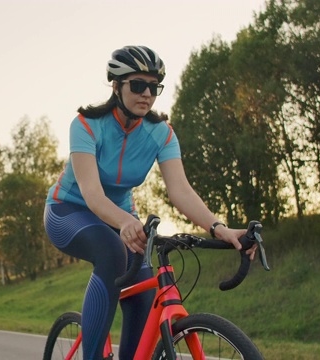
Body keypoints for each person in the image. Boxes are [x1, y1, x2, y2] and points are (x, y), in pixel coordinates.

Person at [43, 45, 258, 360]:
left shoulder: (161, 133)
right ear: (116, 86)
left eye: (154, 87)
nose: (147, 94)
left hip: (120, 218)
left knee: (145, 288)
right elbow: (92, 195)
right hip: (69, 211)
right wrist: (127, 222)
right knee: (111, 252)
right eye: (138, 85)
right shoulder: (86, 124)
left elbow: (181, 191)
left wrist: (218, 227)